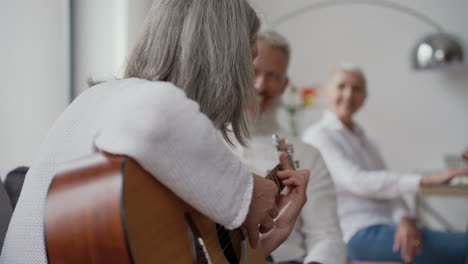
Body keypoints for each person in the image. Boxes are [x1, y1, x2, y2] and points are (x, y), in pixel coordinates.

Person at [0, 1, 309, 263]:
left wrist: (268, 239)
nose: (247, 84)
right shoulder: (145, 102)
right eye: (249, 62)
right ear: (226, 60)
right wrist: (247, 192)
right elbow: (153, 116)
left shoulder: (106, 104)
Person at [302, 64, 468, 264]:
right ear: (327, 92)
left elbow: (388, 190)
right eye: (341, 86)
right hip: (358, 233)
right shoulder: (318, 136)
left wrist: (405, 218)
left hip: (388, 226)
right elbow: (359, 182)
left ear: (364, 96)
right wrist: (428, 179)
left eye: (356, 88)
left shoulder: (366, 140)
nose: (348, 94)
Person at [232, 29, 346, 264]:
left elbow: (326, 235)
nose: (261, 85)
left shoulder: (308, 155)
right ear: (236, 74)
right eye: (253, 72)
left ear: (284, 86)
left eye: (273, 76)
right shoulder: (205, 140)